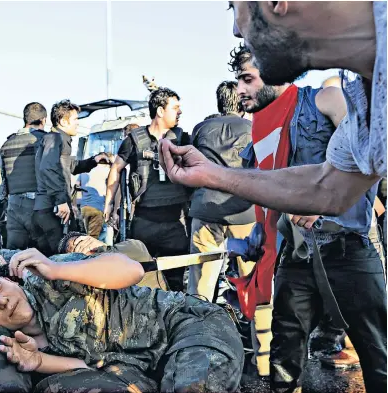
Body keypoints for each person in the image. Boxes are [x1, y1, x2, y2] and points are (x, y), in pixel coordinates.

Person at [230, 44, 386, 393]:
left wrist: (328, 198)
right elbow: (263, 195)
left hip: (346, 246)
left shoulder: (325, 98)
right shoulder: (259, 134)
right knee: (284, 358)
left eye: (247, 79)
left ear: (272, 71)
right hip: (295, 254)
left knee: (378, 356)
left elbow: (371, 152)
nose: (239, 90)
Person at [160, 1, 386, 219]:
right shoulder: (365, 99)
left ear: (275, 2)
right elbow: (329, 189)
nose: (236, 31)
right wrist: (210, 173)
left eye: (233, 6)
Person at [0, 249, 244, 393]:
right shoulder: (19, 345)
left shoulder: (49, 276)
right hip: (136, 367)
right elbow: (85, 369)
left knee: (193, 389)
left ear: (8, 279)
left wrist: (58, 270)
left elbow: (131, 270)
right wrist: (38, 362)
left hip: (185, 326)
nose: (2, 302)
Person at [104, 88, 191, 291]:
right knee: (143, 282)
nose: (180, 112)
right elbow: (116, 169)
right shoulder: (134, 140)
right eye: (175, 108)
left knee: (176, 284)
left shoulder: (183, 138)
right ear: (160, 111)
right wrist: (110, 205)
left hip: (176, 224)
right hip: (144, 223)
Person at [187, 80, 254, 303]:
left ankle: (198, 325)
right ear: (242, 103)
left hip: (205, 208)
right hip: (244, 209)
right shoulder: (252, 128)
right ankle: (256, 328)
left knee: (201, 279)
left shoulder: (200, 128)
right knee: (252, 277)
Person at [33, 100, 110, 256]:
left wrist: (93, 160)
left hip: (50, 209)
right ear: (63, 121)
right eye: (75, 119)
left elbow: (69, 166)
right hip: (52, 210)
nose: (78, 124)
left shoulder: (58, 139)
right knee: (62, 258)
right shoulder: (55, 139)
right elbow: (47, 168)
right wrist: (61, 200)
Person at [0, 102, 47, 250]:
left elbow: (2, 182)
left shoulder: (7, 144)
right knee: (45, 257)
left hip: (14, 205)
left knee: (14, 255)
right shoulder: (46, 140)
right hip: (40, 206)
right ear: (44, 120)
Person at [75, 173, 105, 239]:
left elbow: (76, 187)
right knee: (93, 237)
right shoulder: (106, 170)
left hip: (84, 207)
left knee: (84, 233)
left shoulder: (82, 172)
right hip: (97, 208)